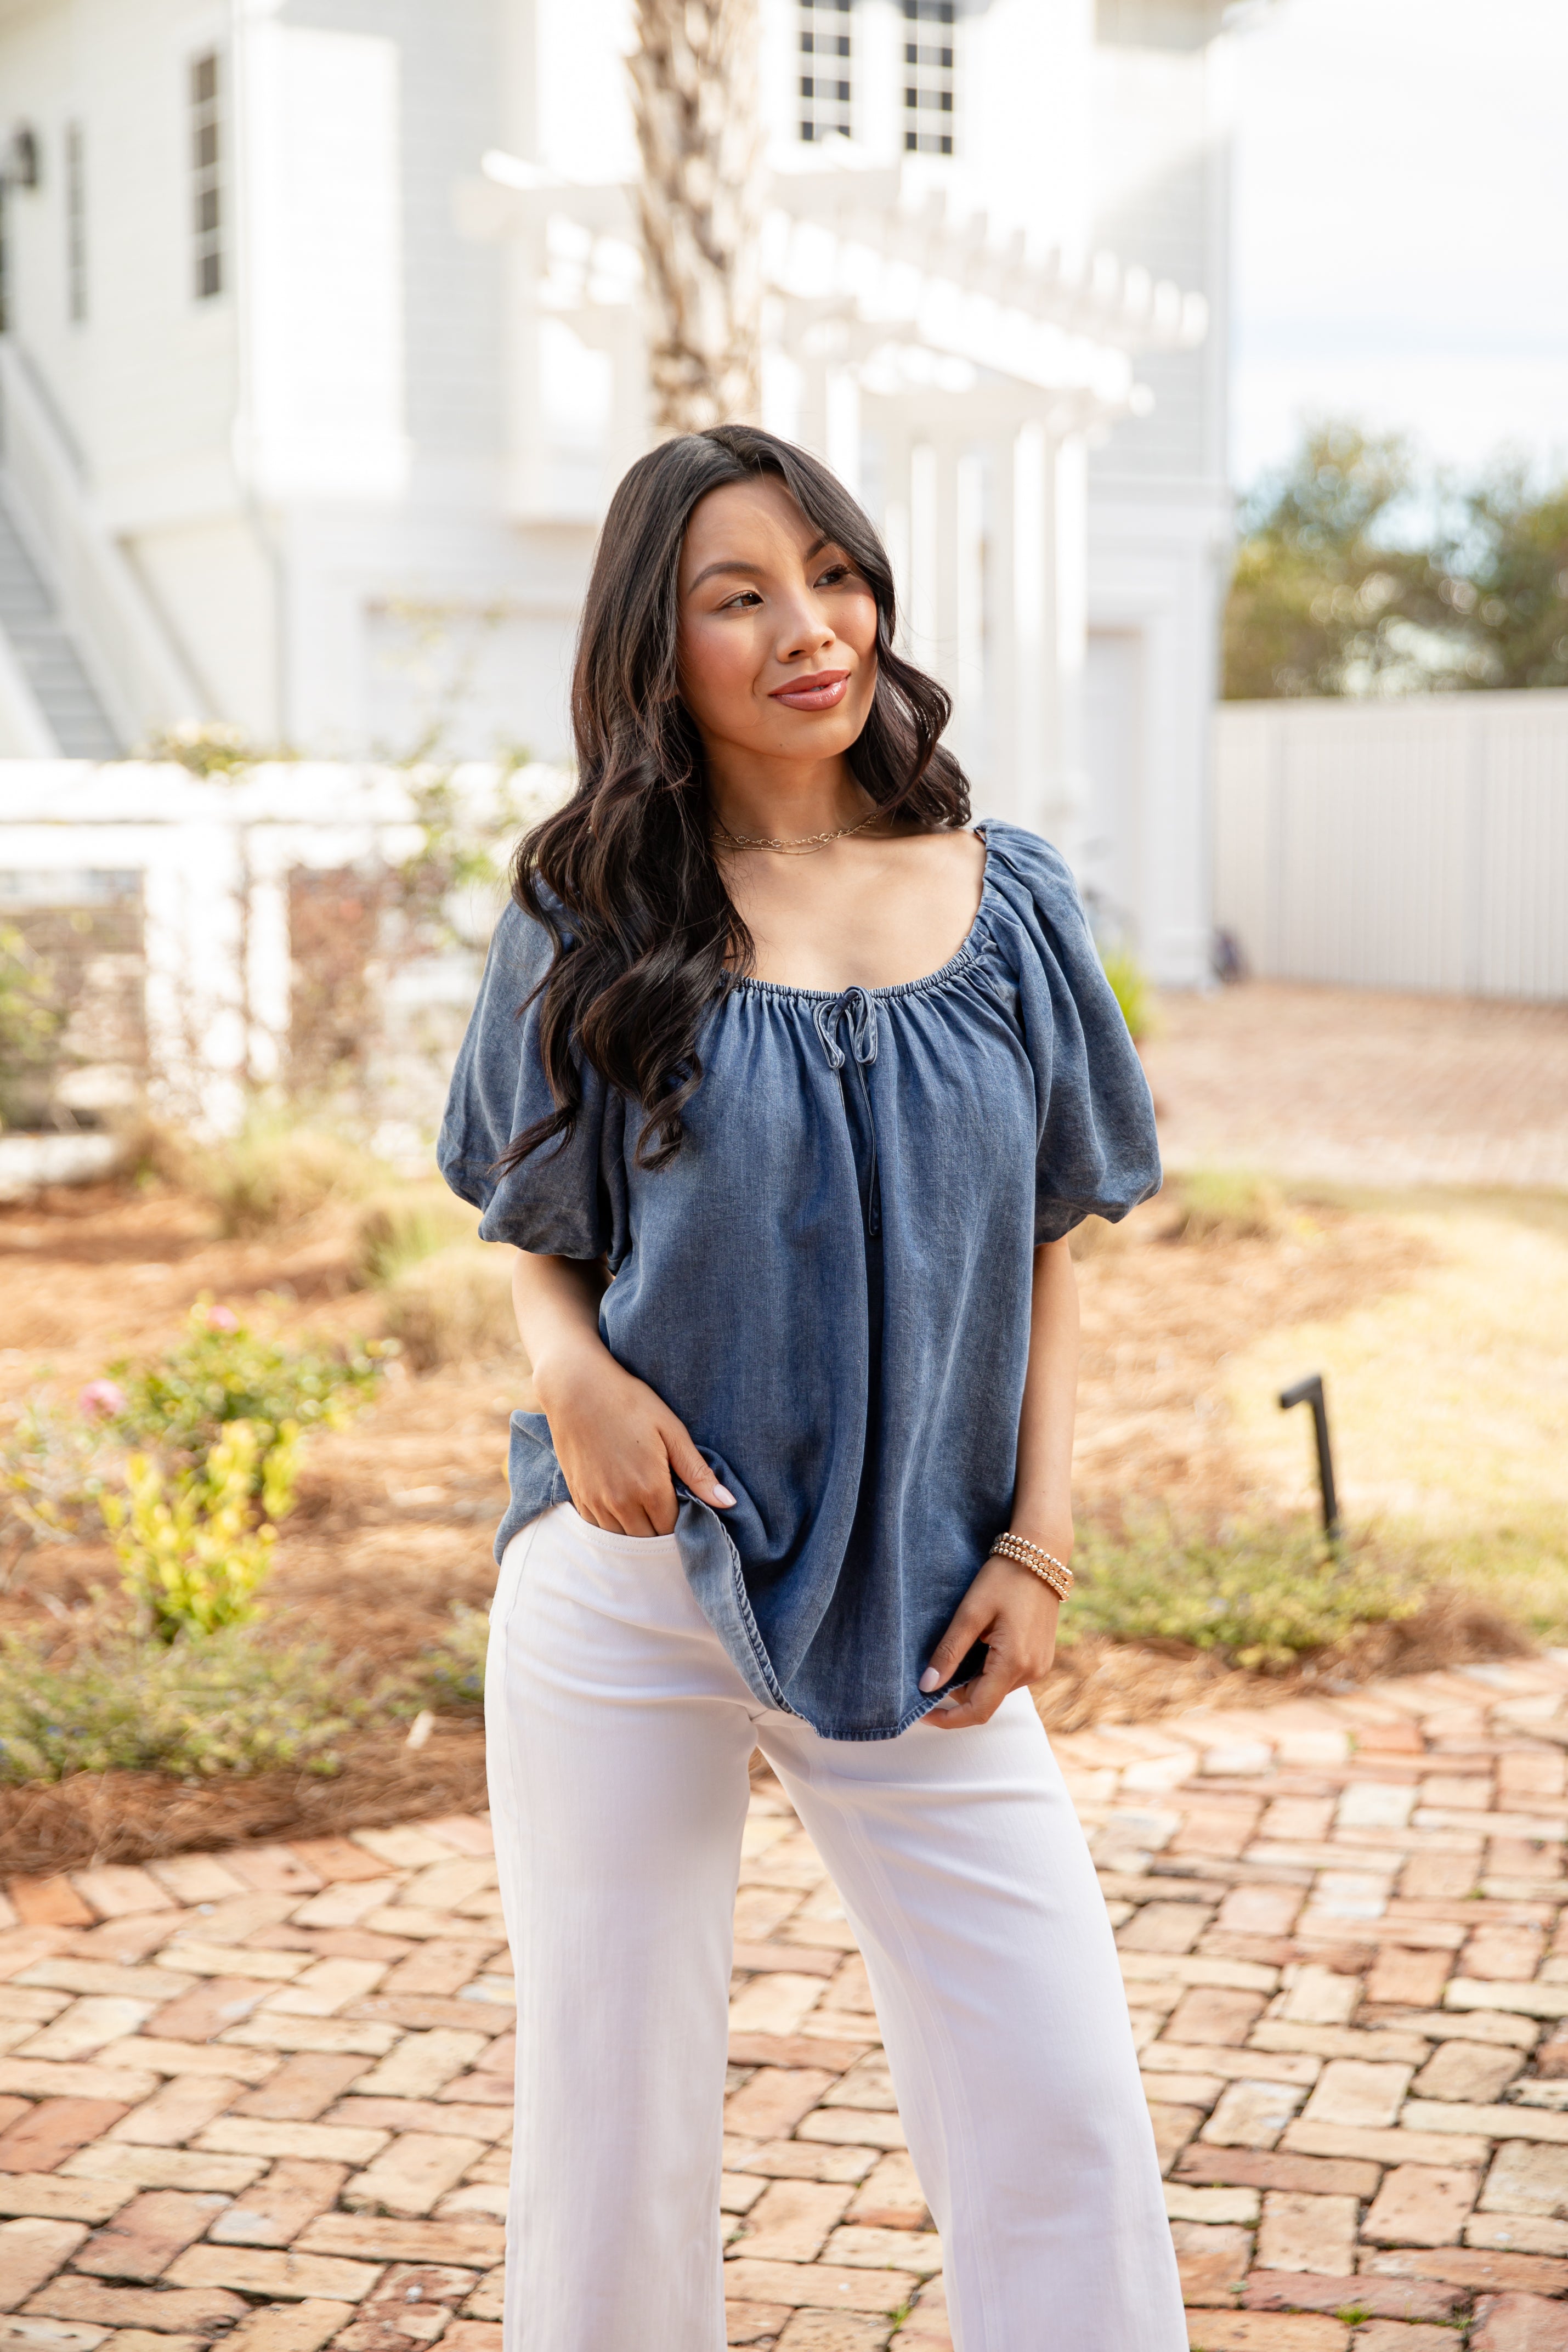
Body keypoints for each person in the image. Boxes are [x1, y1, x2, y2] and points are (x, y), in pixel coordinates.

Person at [437, 425, 1185, 2352]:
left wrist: (1039, 1538)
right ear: (654, 642)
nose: (806, 627)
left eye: (832, 574)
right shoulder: (595, 903)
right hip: (628, 1574)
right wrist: (574, 1375)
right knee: (612, 2122)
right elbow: (539, 1217)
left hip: (929, 1601)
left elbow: (1045, 1237)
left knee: (1059, 2101)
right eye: (736, 593)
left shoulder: (1008, 898)